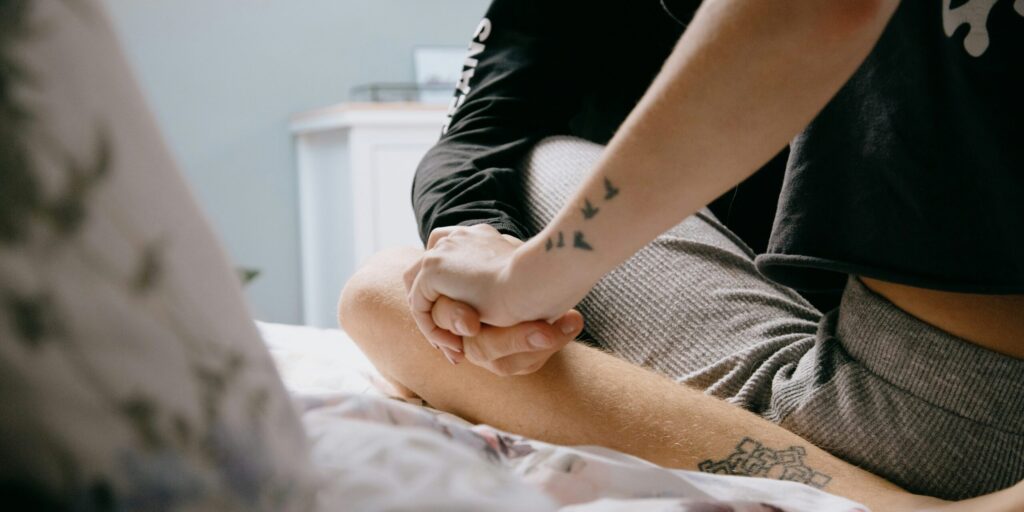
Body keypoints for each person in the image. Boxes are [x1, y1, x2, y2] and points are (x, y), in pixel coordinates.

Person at [340, 0, 1024, 508]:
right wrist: (487, 238)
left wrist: (527, 280)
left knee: (384, 293)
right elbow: (477, 134)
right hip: (915, 370)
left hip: (934, 426)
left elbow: (813, 15)